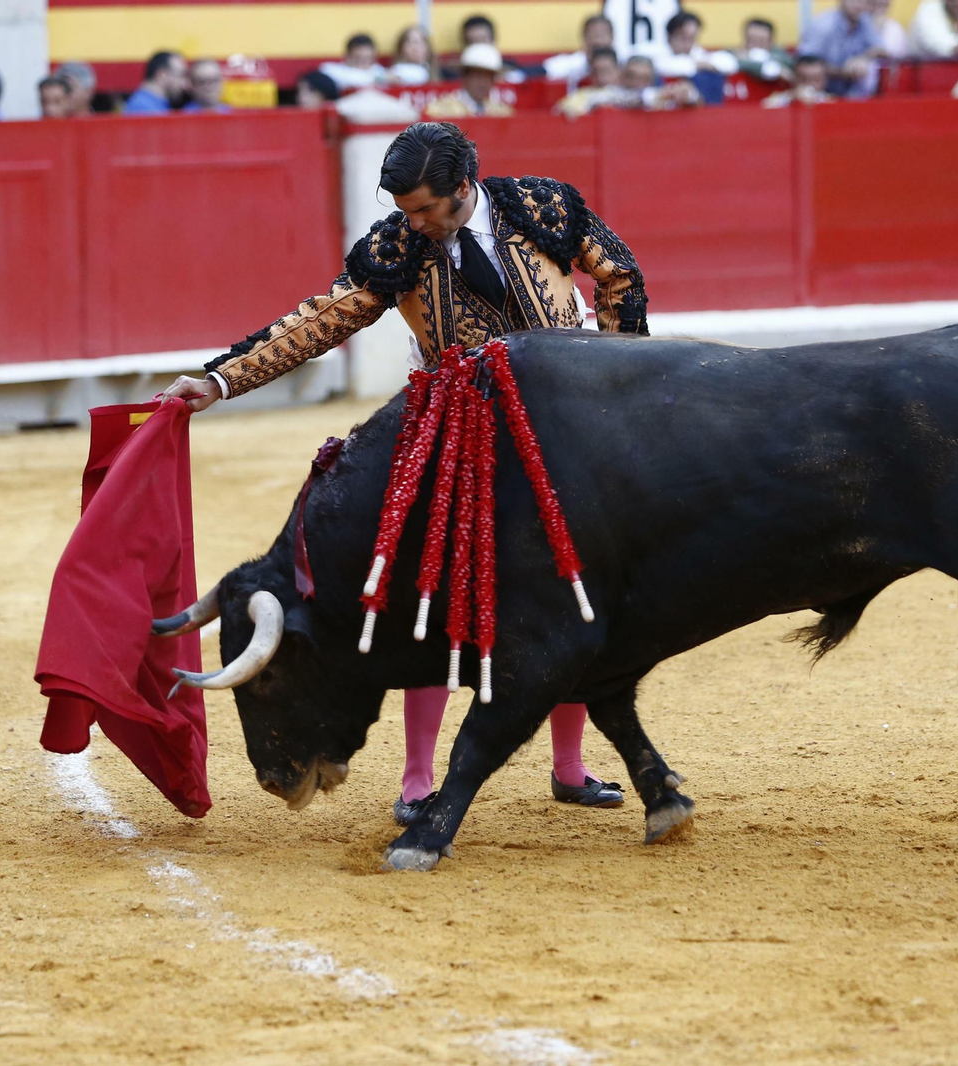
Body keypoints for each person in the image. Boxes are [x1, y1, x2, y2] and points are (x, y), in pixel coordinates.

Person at [160, 122, 649, 821]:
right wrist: (220, 380)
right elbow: (321, 320)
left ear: (464, 187)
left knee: (572, 588)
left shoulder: (543, 207)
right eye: (404, 210)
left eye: (425, 210)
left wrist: (613, 378)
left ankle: (569, 766)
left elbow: (619, 275)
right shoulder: (397, 249)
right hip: (459, 434)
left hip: (565, 431)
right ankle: (418, 780)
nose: (412, 223)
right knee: (435, 597)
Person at [799, 0, 884, 98]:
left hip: (853, 95)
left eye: (862, 1)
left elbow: (882, 50)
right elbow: (805, 66)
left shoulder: (864, 21)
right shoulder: (823, 25)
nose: (858, 5)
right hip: (822, 95)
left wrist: (863, 58)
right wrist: (843, 72)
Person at [425, 44, 514, 117]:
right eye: (478, 77)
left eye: (489, 78)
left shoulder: (501, 112)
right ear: (464, 77)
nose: (483, 83)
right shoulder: (441, 110)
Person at [544, 15, 617, 86]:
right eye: (593, 36)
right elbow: (545, 70)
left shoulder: (623, 63)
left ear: (612, 37)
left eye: (602, 35)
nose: (597, 41)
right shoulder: (572, 63)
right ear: (584, 37)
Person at [321, 34, 389, 91]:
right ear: (347, 56)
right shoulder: (333, 70)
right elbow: (352, 80)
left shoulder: (378, 70)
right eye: (358, 57)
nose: (363, 62)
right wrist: (380, 79)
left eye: (367, 58)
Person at [764, 54, 835, 106]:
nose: (810, 84)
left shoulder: (833, 102)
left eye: (816, 80)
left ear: (824, 80)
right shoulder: (776, 101)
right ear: (794, 79)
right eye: (803, 80)